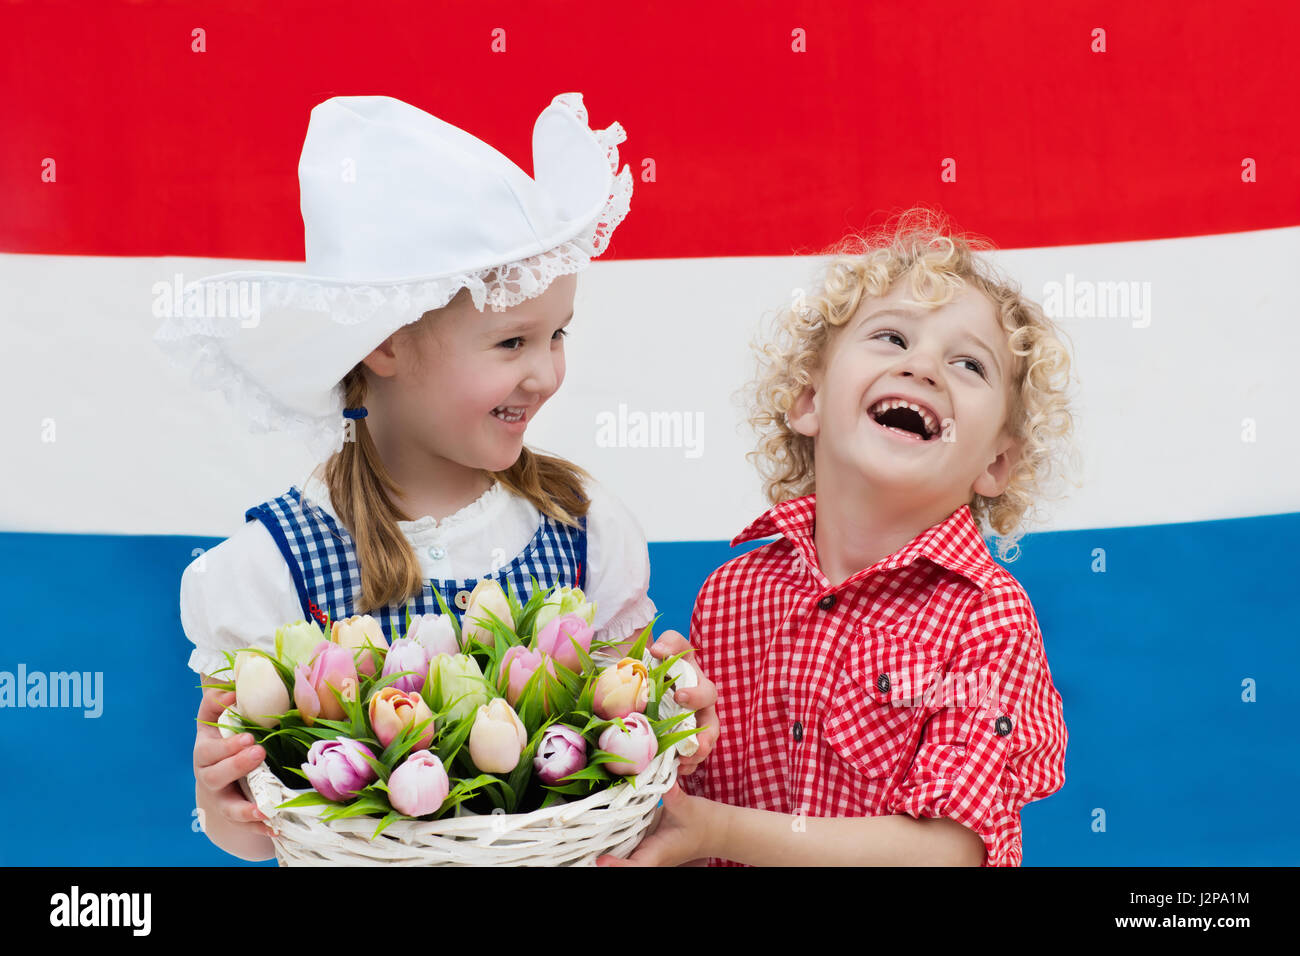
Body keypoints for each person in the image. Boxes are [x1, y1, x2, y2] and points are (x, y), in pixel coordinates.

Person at [158, 93, 718, 862]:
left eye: (557, 335)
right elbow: (253, 831)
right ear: (384, 346)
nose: (546, 372)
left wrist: (673, 721)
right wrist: (222, 802)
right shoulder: (270, 569)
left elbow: (632, 771)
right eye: (511, 341)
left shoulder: (581, 525)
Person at [599, 208, 1077, 867]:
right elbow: (689, 800)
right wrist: (659, 715)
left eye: (969, 363)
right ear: (808, 401)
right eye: (890, 338)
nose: (924, 367)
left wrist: (720, 832)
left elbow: (948, 852)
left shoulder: (986, 616)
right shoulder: (734, 595)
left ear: (996, 464)